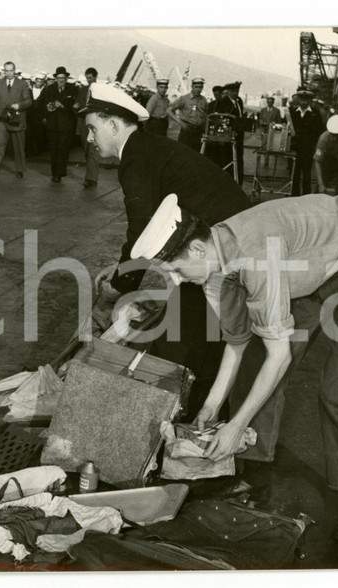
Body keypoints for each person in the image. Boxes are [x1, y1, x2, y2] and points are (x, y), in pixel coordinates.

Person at [131, 192, 338, 542]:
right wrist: (212, 408)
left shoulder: (256, 258)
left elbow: (281, 356)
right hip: (309, 268)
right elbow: (237, 341)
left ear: (197, 250)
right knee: (259, 361)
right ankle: (254, 481)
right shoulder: (211, 265)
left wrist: (236, 425)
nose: (178, 280)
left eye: (177, 270)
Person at [81, 83, 251, 414]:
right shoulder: (149, 148)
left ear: (114, 125)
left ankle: (174, 424)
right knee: (203, 336)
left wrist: (118, 285)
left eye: (92, 128)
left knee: (182, 337)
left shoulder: (136, 158)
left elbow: (141, 231)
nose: (89, 138)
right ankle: (201, 422)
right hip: (226, 245)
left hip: (220, 254)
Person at [0, 61, 33, 179]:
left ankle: (19, 169)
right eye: (6, 71)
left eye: (11, 70)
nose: (8, 73)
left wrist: (19, 105)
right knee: (0, 143)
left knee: (18, 145)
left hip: (16, 118)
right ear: (4, 71)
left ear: (14, 70)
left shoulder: (22, 84)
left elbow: (28, 101)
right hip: (2, 118)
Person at [40, 66, 78, 183]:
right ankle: (55, 173)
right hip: (53, 125)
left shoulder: (73, 89)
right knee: (54, 150)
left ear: (66, 78)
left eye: (63, 77)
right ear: (55, 78)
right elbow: (42, 104)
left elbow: (75, 106)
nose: (61, 80)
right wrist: (48, 108)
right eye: (58, 77)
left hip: (66, 125)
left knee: (63, 149)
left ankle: (59, 173)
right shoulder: (49, 89)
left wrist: (62, 105)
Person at [287, 88, 323, 196]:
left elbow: (320, 132)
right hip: (294, 149)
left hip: (307, 150)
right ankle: (294, 196)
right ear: (298, 99)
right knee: (294, 174)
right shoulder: (292, 113)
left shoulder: (315, 114)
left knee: (307, 175)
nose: (303, 102)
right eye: (302, 99)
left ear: (309, 100)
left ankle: (306, 197)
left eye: (306, 100)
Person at [213, 81, 246, 184]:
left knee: (239, 157)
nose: (236, 93)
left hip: (239, 135)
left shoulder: (239, 101)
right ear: (228, 92)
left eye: (237, 91)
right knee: (228, 158)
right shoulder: (223, 102)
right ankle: (228, 182)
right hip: (228, 135)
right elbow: (220, 118)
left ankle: (238, 182)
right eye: (233, 91)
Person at [75, 67, 100, 188]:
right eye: (87, 78)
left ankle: (92, 179)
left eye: (90, 78)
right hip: (84, 123)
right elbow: (79, 107)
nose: (89, 80)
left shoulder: (101, 91)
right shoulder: (83, 90)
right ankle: (89, 176)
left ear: (96, 77)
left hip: (95, 125)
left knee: (92, 152)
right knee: (86, 151)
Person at [167, 76, 208, 151]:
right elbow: (169, 111)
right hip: (186, 130)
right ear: (192, 86)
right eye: (196, 87)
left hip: (198, 132)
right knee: (183, 153)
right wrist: (179, 122)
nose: (198, 89)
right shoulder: (184, 99)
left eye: (200, 87)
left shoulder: (204, 100)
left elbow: (205, 114)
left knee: (196, 154)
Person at [257, 96, 283, 167]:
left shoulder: (277, 111)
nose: (269, 103)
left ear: (273, 102)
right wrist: (261, 122)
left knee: (270, 146)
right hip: (264, 130)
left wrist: (276, 127)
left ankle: (266, 160)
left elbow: (279, 122)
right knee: (263, 145)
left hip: (272, 131)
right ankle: (263, 160)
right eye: (268, 102)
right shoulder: (263, 110)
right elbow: (260, 119)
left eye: (271, 102)